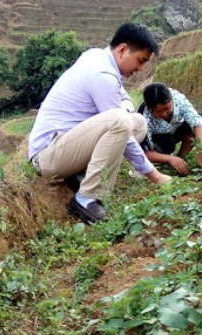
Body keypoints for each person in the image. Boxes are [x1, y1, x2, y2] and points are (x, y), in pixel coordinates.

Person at [27, 23, 171, 224]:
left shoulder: (98, 56)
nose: (140, 69)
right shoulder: (102, 75)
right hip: (48, 156)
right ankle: (87, 197)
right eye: (140, 61)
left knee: (136, 122)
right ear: (122, 50)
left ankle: (82, 174)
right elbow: (123, 132)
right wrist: (155, 176)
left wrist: (127, 109)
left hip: (67, 144)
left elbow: (122, 95)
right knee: (120, 121)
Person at [137, 83, 202, 175]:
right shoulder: (142, 117)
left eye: (166, 108)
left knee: (197, 123)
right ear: (149, 109)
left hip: (176, 130)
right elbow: (142, 152)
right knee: (167, 144)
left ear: (170, 100)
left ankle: (182, 159)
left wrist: (201, 148)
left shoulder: (178, 98)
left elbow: (197, 121)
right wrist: (169, 159)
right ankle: (167, 159)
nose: (164, 114)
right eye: (158, 111)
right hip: (158, 140)